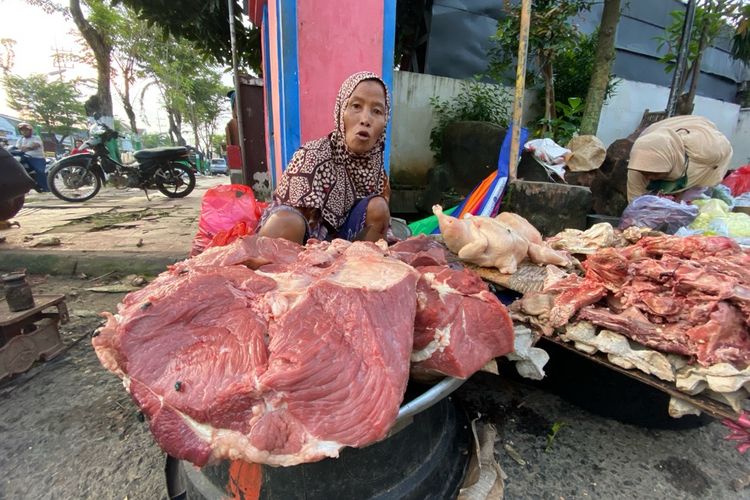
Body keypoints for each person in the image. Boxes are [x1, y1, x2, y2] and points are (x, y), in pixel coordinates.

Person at [257, 71, 391, 244]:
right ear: (341, 110)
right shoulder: (312, 155)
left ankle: (360, 267)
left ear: (385, 120)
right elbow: (291, 221)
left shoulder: (378, 173)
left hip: (345, 247)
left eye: (377, 111)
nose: (366, 119)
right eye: (356, 106)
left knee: (379, 208)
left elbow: (379, 228)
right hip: (304, 242)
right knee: (286, 223)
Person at [627, 115, 732, 201]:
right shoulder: (638, 164)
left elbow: (723, 154)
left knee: (688, 203)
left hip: (704, 142)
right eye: (646, 173)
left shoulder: (707, 150)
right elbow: (635, 200)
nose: (650, 177)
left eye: (655, 173)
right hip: (656, 134)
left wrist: (686, 191)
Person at [15, 122, 49, 192]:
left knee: (40, 171)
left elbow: (35, 145)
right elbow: (16, 148)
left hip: (37, 158)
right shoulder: (20, 139)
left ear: (30, 131)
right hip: (24, 157)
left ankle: (45, 188)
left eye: (26, 130)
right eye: (22, 130)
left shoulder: (36, 138)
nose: (24, 131)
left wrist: (28, 147)